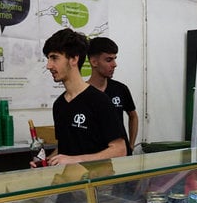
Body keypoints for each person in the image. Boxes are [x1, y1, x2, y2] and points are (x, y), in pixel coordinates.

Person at [31, 29, 126, 167]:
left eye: (54, 58)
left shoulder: (100, 101)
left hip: (97, 185)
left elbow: (119, 149)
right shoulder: (59, 104)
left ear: (74, 59)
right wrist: (45, 163)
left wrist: (76, 160)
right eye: (48, 59)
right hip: (69, 182)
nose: (48, 65)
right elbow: (65, 148)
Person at [86, 37, 137, 152]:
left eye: (115, 59)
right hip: (95, 157)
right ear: (94, 61)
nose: (114, 64)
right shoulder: (82, 94)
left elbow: (133, 116)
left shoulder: (121, 89)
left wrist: (131, 144)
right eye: (109, 60)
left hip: (121, 156)